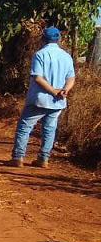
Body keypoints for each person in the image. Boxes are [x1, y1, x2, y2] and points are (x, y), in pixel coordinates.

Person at [7, 27, 76, 168]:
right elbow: (71, 78)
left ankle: (18, 157)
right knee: (50, 129)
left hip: (40, 98)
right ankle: (43, 159)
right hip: (58, 101)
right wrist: (64, 91)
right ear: (59, 39)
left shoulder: (40, 54)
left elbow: (38, 78)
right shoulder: (66, 56)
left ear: (43, 39)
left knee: (24, 127)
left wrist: (52, 91)